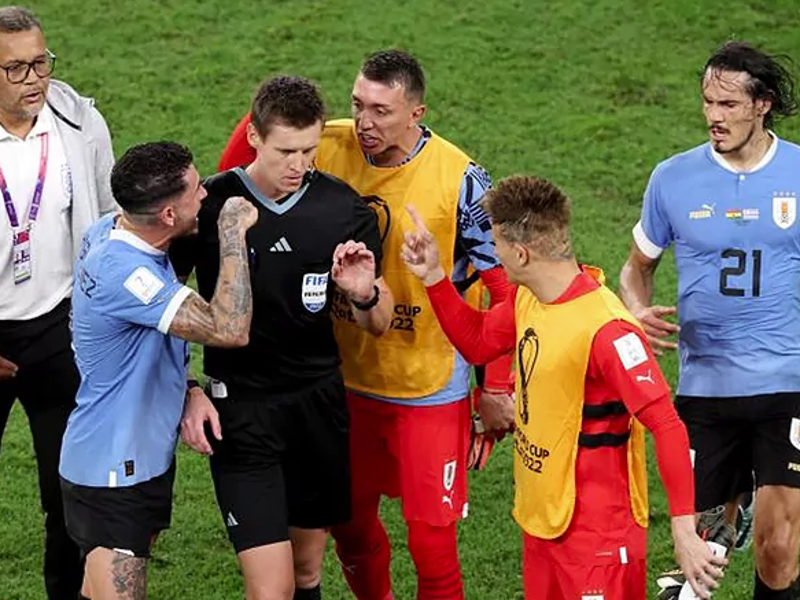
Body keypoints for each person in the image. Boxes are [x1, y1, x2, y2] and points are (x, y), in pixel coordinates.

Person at [217, 49, 513, 600]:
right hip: (341, 383)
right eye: (358, 106)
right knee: (350, 531)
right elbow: (235, 165)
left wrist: (496, 385)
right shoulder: (322, 145)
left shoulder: (461, 179)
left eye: (381, 110)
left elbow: (504, 284)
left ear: (417, 112)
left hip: (427, 384)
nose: (365, 123)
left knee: (432, 547)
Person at [399, 174, 726, 599]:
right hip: (544, 521)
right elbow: (479, 344)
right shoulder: (529, 298)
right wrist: (434, 278)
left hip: (599, 540)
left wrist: (683, 529)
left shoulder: (608, 331)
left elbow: (666, 424)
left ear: (520, 252)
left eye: (496, 245)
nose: (493, 256)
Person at [172, 75, 392, 600]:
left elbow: (378, 320)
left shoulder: (342, 208)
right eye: (285, 151)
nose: (299, 165)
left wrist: (363, 294)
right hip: (241, 410)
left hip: (317, 404)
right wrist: (187, 386)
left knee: (306, 574)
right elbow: (162, 308)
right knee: (271, 590)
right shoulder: (211, 207)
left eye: (309, 151)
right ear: (253, 137)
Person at [618, 41, 800, 600]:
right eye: (707, 103)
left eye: (727, 104)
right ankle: (731, 508)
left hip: (787, 381)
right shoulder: (673, 179)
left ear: (762, 103)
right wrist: (635, 310)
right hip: (705, 385)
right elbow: (635, 269)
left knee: (779, 544)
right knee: (698, 554)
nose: (714, 117)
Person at [60, 141, 257, 600]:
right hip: (111, 472)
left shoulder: (110, 232)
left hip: (131, 459)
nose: (206, 195)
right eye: (195, 191)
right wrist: (232, 233)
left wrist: (186, 387)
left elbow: (143, 338)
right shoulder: (126, 273)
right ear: (168, 216)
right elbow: (228, 328)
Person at [0, 6, 115, 599]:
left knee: (67, 492)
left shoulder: (78, 122)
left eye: (40, 62)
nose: (33, 79)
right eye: (15, 68)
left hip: (59, 330)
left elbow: (108, 214)